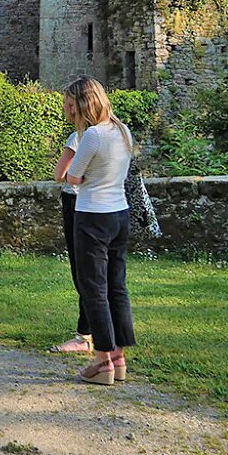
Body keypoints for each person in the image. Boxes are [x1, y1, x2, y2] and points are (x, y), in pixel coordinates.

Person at [62, 76, 137, 386]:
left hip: (93, 214)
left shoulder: (92, 135)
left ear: (83, 104)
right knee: (117, 287)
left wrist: (82, 176)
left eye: (71, 105)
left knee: (94, 288)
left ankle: (102, 360)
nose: (69, 111)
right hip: (119, 212)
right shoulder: (123, 131)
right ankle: (119, 356)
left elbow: (72, 177)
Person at [49, 91, 92, 355]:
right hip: (102, 205)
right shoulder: (110, 134)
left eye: (68, 104)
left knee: (82, 270)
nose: (65, 108)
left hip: (76, 203)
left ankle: (84, 335)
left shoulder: (78, 138)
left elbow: (59, 174)